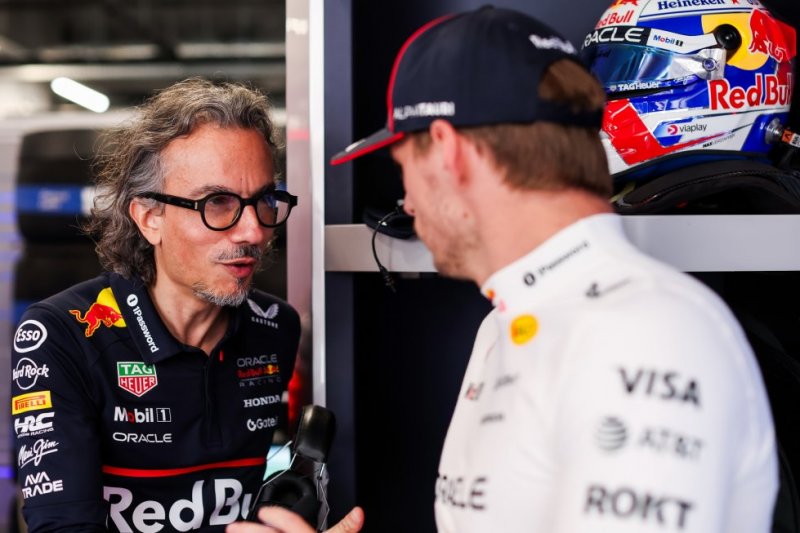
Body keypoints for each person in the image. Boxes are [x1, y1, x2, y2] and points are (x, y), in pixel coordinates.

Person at [235, 5, 780, 533]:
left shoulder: (649, 334)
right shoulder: (503, 323)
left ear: (447, 151)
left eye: (404, 167)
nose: (407, 201)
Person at [11, 77, 302, 531]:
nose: (254, 231)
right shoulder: (61, 334)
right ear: (150, 218)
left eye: (264, 200)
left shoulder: (276, 327)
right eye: (217, 202)